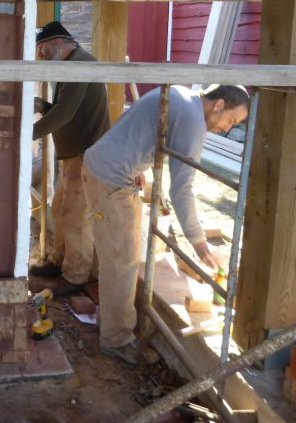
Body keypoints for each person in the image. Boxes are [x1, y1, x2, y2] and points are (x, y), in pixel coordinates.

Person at [83, 84, 250, 365]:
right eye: (231, 120)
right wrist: (199, 242)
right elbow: (182, 190)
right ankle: (116, 340)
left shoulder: (178, 94)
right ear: (219, 104)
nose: (227, 129)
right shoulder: (194, 121)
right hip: (111, 178)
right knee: (122, 262)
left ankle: (111, 321)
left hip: (105, 166)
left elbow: (136, 128)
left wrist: (137, 166)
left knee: (119, 257)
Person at [29, 21, 110, 297]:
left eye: (41, 50)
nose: (41, 57)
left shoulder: (81, 64)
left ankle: (75, 276)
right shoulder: (70, 66)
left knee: (75, 217)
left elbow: (63, 115)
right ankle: (59, 262)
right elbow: (66, 109)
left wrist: (24, 134)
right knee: (60, 209)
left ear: (55, 42)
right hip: (73, 154)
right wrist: (43, 107)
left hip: (85, 154)